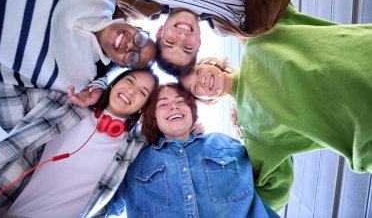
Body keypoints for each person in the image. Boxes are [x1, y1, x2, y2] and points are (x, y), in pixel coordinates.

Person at [179, 14, 372, 210]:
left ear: (208, 62)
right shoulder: (252, 132)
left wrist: (237, 27)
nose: (201, 81)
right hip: (366, 131)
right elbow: (268, 198)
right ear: (208, 100)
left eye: (196, 72)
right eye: (196, 89)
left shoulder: (259, 38)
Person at [0, 0, 157, 135]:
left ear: (120, 63)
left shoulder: (78, 78)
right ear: (136, 26)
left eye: (133, 57)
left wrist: (95, 89)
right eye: (141, 40)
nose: (131, 46)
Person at [0, 69, 159, 217]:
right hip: (4, 208)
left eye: (142, 93)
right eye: (129, 81)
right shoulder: (65, 104)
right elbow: (2, 85)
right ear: (114, 84)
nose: (131, 91)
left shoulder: (136, 146)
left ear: (142, 108)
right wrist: (96, 85)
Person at [107, 83, 280, 218]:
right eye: (163, 104)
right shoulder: (135, 165)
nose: (173, 107)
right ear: (154, 119)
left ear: (192, 110)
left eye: (180, 101)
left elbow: (274, 164)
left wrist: (249, 123)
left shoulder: (226, 143)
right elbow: (101, 205)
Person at [100, 0, 306, 76]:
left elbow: (102, 28)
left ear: (160, 31)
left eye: (170, 42)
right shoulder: (232, 21)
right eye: (187, 48)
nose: (182, 37)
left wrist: (99, 84)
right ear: (198, 43)